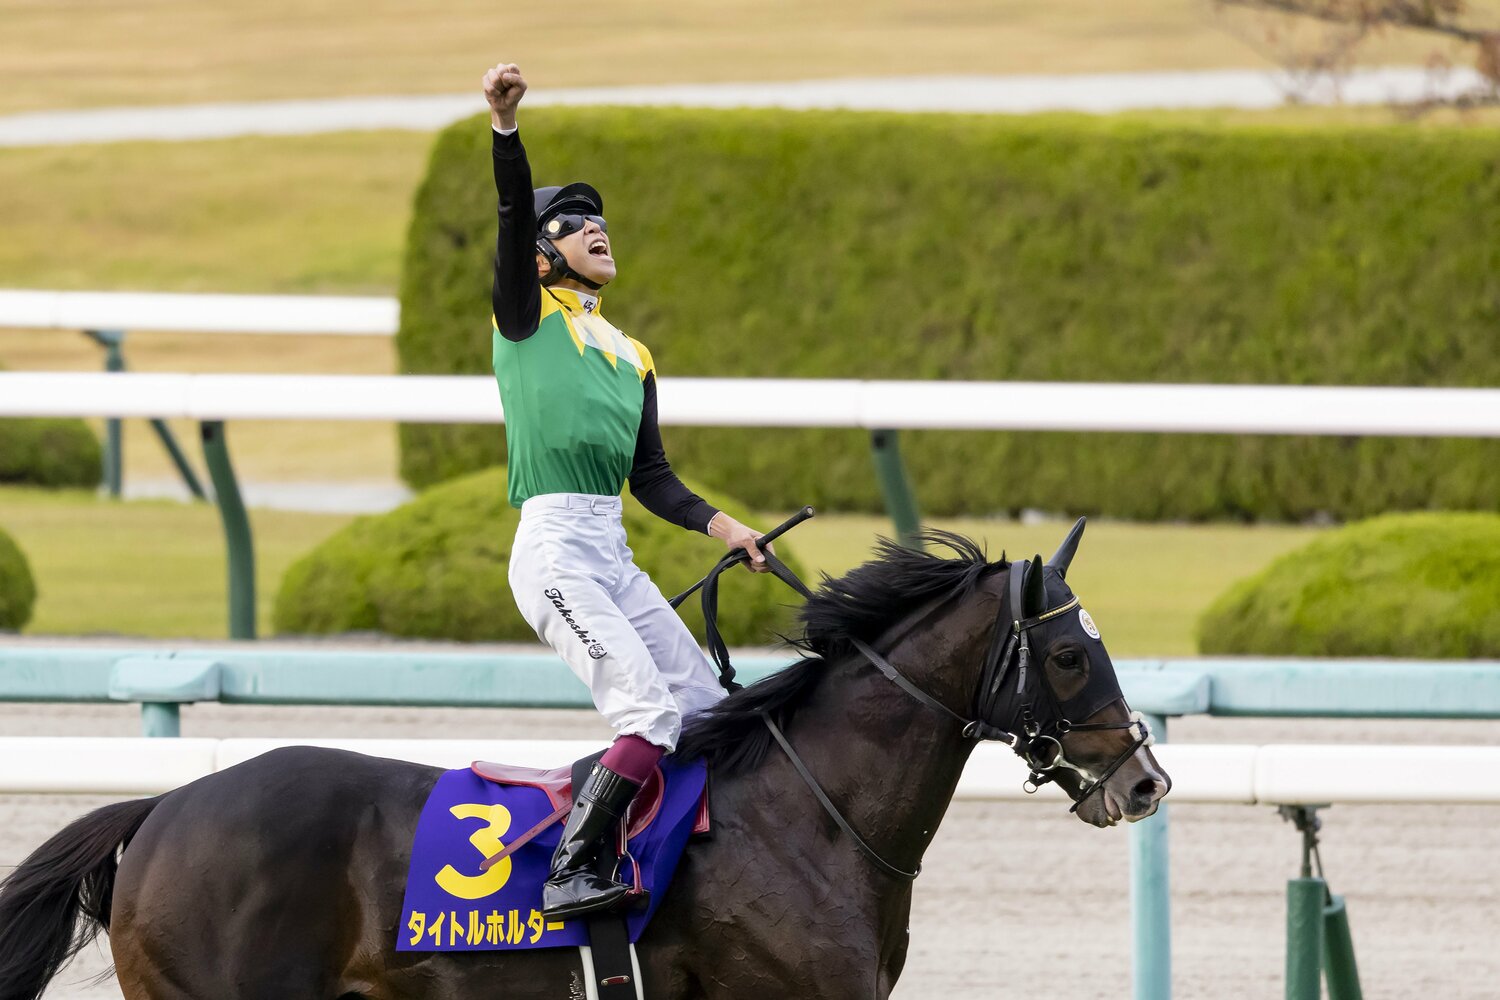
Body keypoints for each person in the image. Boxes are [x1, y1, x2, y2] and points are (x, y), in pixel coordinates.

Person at [482, 62, 770, 919]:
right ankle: (574, 865)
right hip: (553, 552)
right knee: (646, 713)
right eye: (575, 223)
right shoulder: (523, 318)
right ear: (541, 253)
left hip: (611, 550)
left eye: (601, 221)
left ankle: (675, 853)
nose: (596, 229)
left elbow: (650, 476)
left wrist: (725, 528)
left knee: (708, 708)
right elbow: (508, 215)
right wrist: (506, 131)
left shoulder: (632, 352)